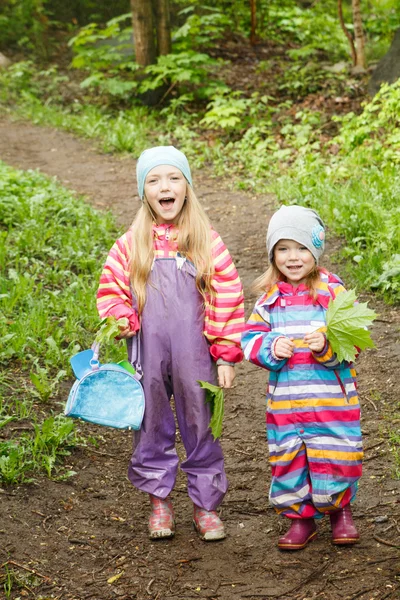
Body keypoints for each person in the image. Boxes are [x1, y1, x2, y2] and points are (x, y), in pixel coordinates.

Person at [97, 146, 244, 541]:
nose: (165, 187)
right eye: (154, 180)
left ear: (187, 186)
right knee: (151, 420)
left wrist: (226, 353)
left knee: (200, 419)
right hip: (148, 351)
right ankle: (158, 500)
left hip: (196, 352)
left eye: (174, 178)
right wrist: (121, 317)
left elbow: (227, 295)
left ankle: (205, 505)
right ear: (143, 192)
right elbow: (110, 289)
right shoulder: (131, 243)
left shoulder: (205, 242)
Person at [241, 205, 363, 550]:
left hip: (331, 398)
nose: (293, 258)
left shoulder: (333, 293)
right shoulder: (269, 300)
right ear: (272, 254)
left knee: (336, 451)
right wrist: (270, 346)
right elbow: (249, 339)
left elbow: (354, 340)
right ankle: (300, 519)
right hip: (287, 401)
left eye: (302, 248)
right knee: (290, 454)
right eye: (283, 248)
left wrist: (327, 345)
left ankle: (341, 512)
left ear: (316, 250)